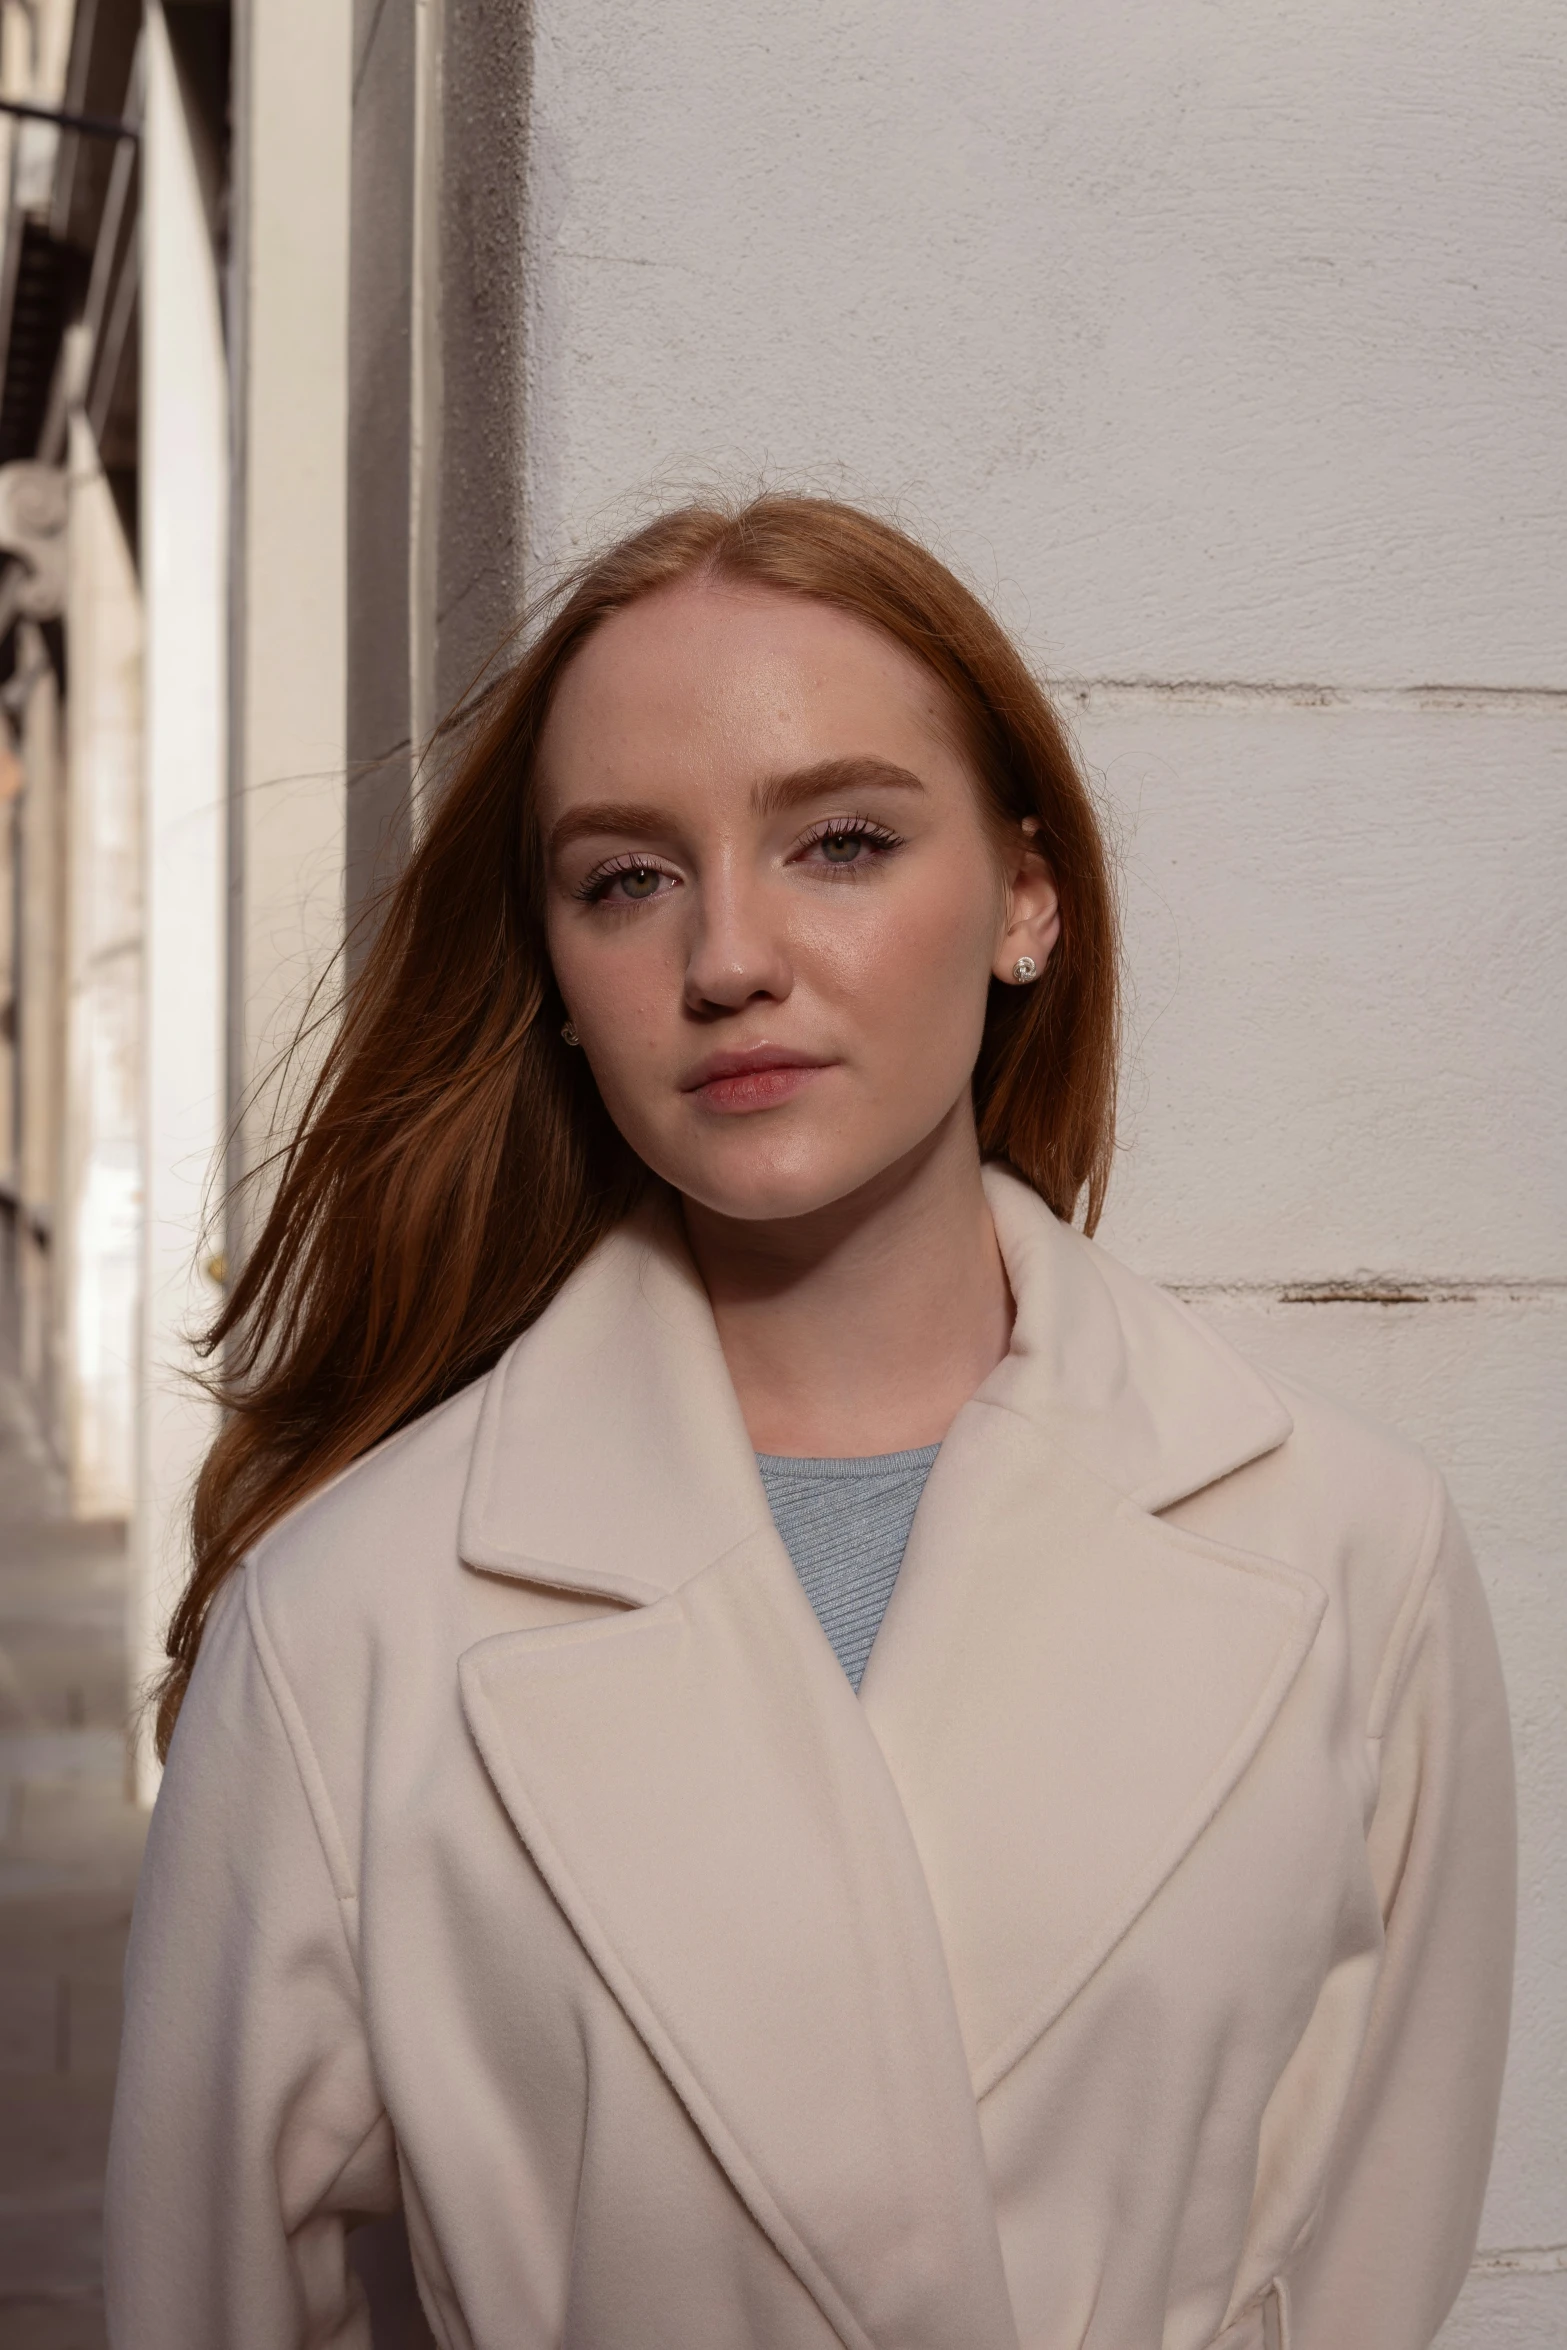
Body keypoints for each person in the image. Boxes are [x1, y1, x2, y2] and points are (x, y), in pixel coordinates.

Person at [105, 496, 1514, 2350]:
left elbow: (1370, 2259)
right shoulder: (345, 1621)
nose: (729, 956)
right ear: (556, 977)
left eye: (839, 840)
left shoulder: (1350, 1552)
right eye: (626, 877)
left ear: (1026, 897)